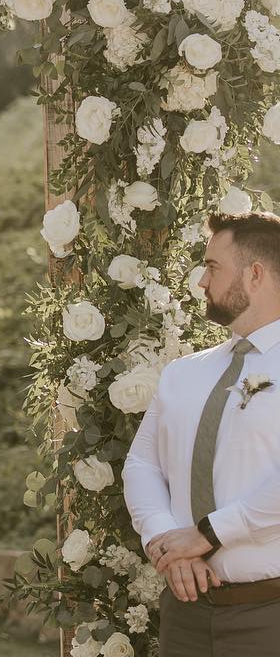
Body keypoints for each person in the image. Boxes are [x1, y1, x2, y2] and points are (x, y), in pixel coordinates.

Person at [124, 211, 280, 656]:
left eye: (212, 267)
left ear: (254, 274)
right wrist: (166, 542)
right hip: (185, 617)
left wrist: (209, 534)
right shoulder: (183, 373)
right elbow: (141, 464)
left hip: (271, 614)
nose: (201, 282)